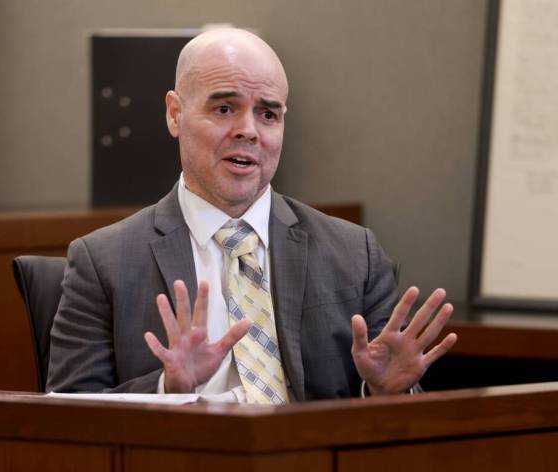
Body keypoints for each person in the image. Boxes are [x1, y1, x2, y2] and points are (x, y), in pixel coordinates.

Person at [47, 28, 457, 402]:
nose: (249, 130)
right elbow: (66, 416)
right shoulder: (103, 263)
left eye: (268, 114)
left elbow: (398, 406)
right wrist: (168, 390)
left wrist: (382, 391)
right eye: (225, 109)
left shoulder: (355, 254)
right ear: (175, 113)